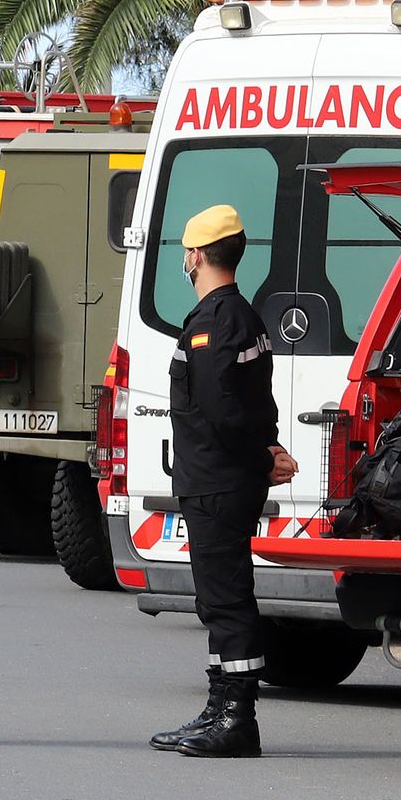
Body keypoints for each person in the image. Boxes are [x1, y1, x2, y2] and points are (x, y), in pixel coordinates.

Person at [152, 204, 298, 759]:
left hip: (218, 481)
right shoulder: (243, 316)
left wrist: (261, 458)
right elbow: (255, 402)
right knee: (218, 599)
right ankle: (220, 708)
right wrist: (269, 449)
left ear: (195, 256)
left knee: (225, 600)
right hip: (224, 478)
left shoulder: (214, 322)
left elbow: (220, 411)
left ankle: (236, 719)